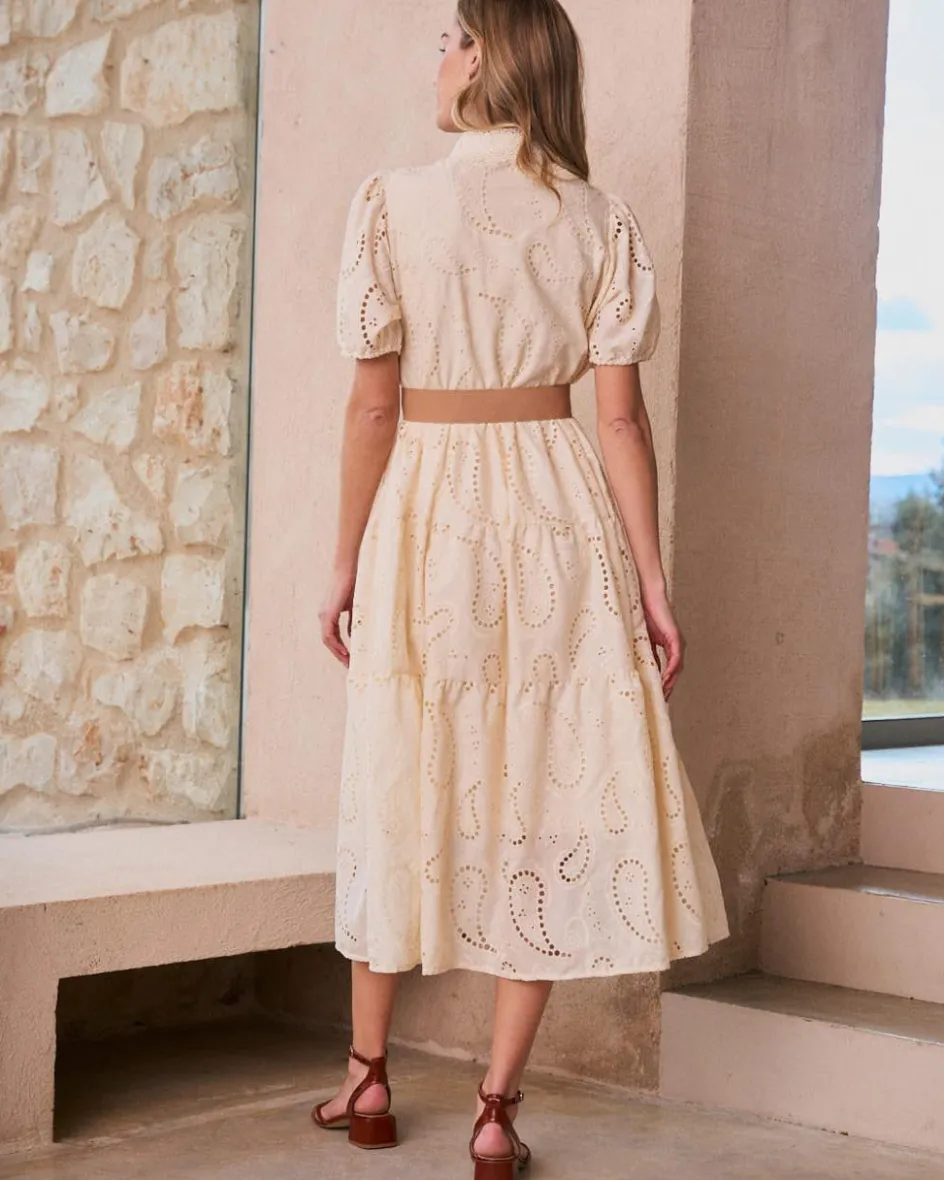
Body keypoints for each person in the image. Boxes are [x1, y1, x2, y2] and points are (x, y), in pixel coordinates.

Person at [313, 2, 730, 1175]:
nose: (436, 57)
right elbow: (619, 421)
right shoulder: (599, 219)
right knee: (545, 795)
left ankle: (367, 1076)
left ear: (487, 57)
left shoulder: (392, 202)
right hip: (557, 515)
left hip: (428, 513)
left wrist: (344, 559)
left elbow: (372, 408)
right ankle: (495, 1111)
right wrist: (651, 583)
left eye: (449, 37)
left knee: (400, 773)